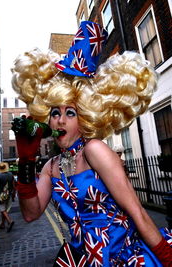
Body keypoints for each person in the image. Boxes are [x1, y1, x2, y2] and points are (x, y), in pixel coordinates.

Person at [11, 21, 172, 266]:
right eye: (55, 112)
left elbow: (137, 211)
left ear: (85, 116)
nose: (61, 120)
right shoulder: (51, 167)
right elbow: (31, 213)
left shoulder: (93, 150)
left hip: (120, 259)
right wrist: (25, 160)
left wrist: (166, 256)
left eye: (70, 113)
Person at [0, 162, 15, 232]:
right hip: (9, 194)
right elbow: (13, 185)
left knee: (2, 210)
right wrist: (13, 194)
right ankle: (2, 224)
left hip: (2, 195)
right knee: (4, 210)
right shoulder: (10, 174)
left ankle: (10, 220)